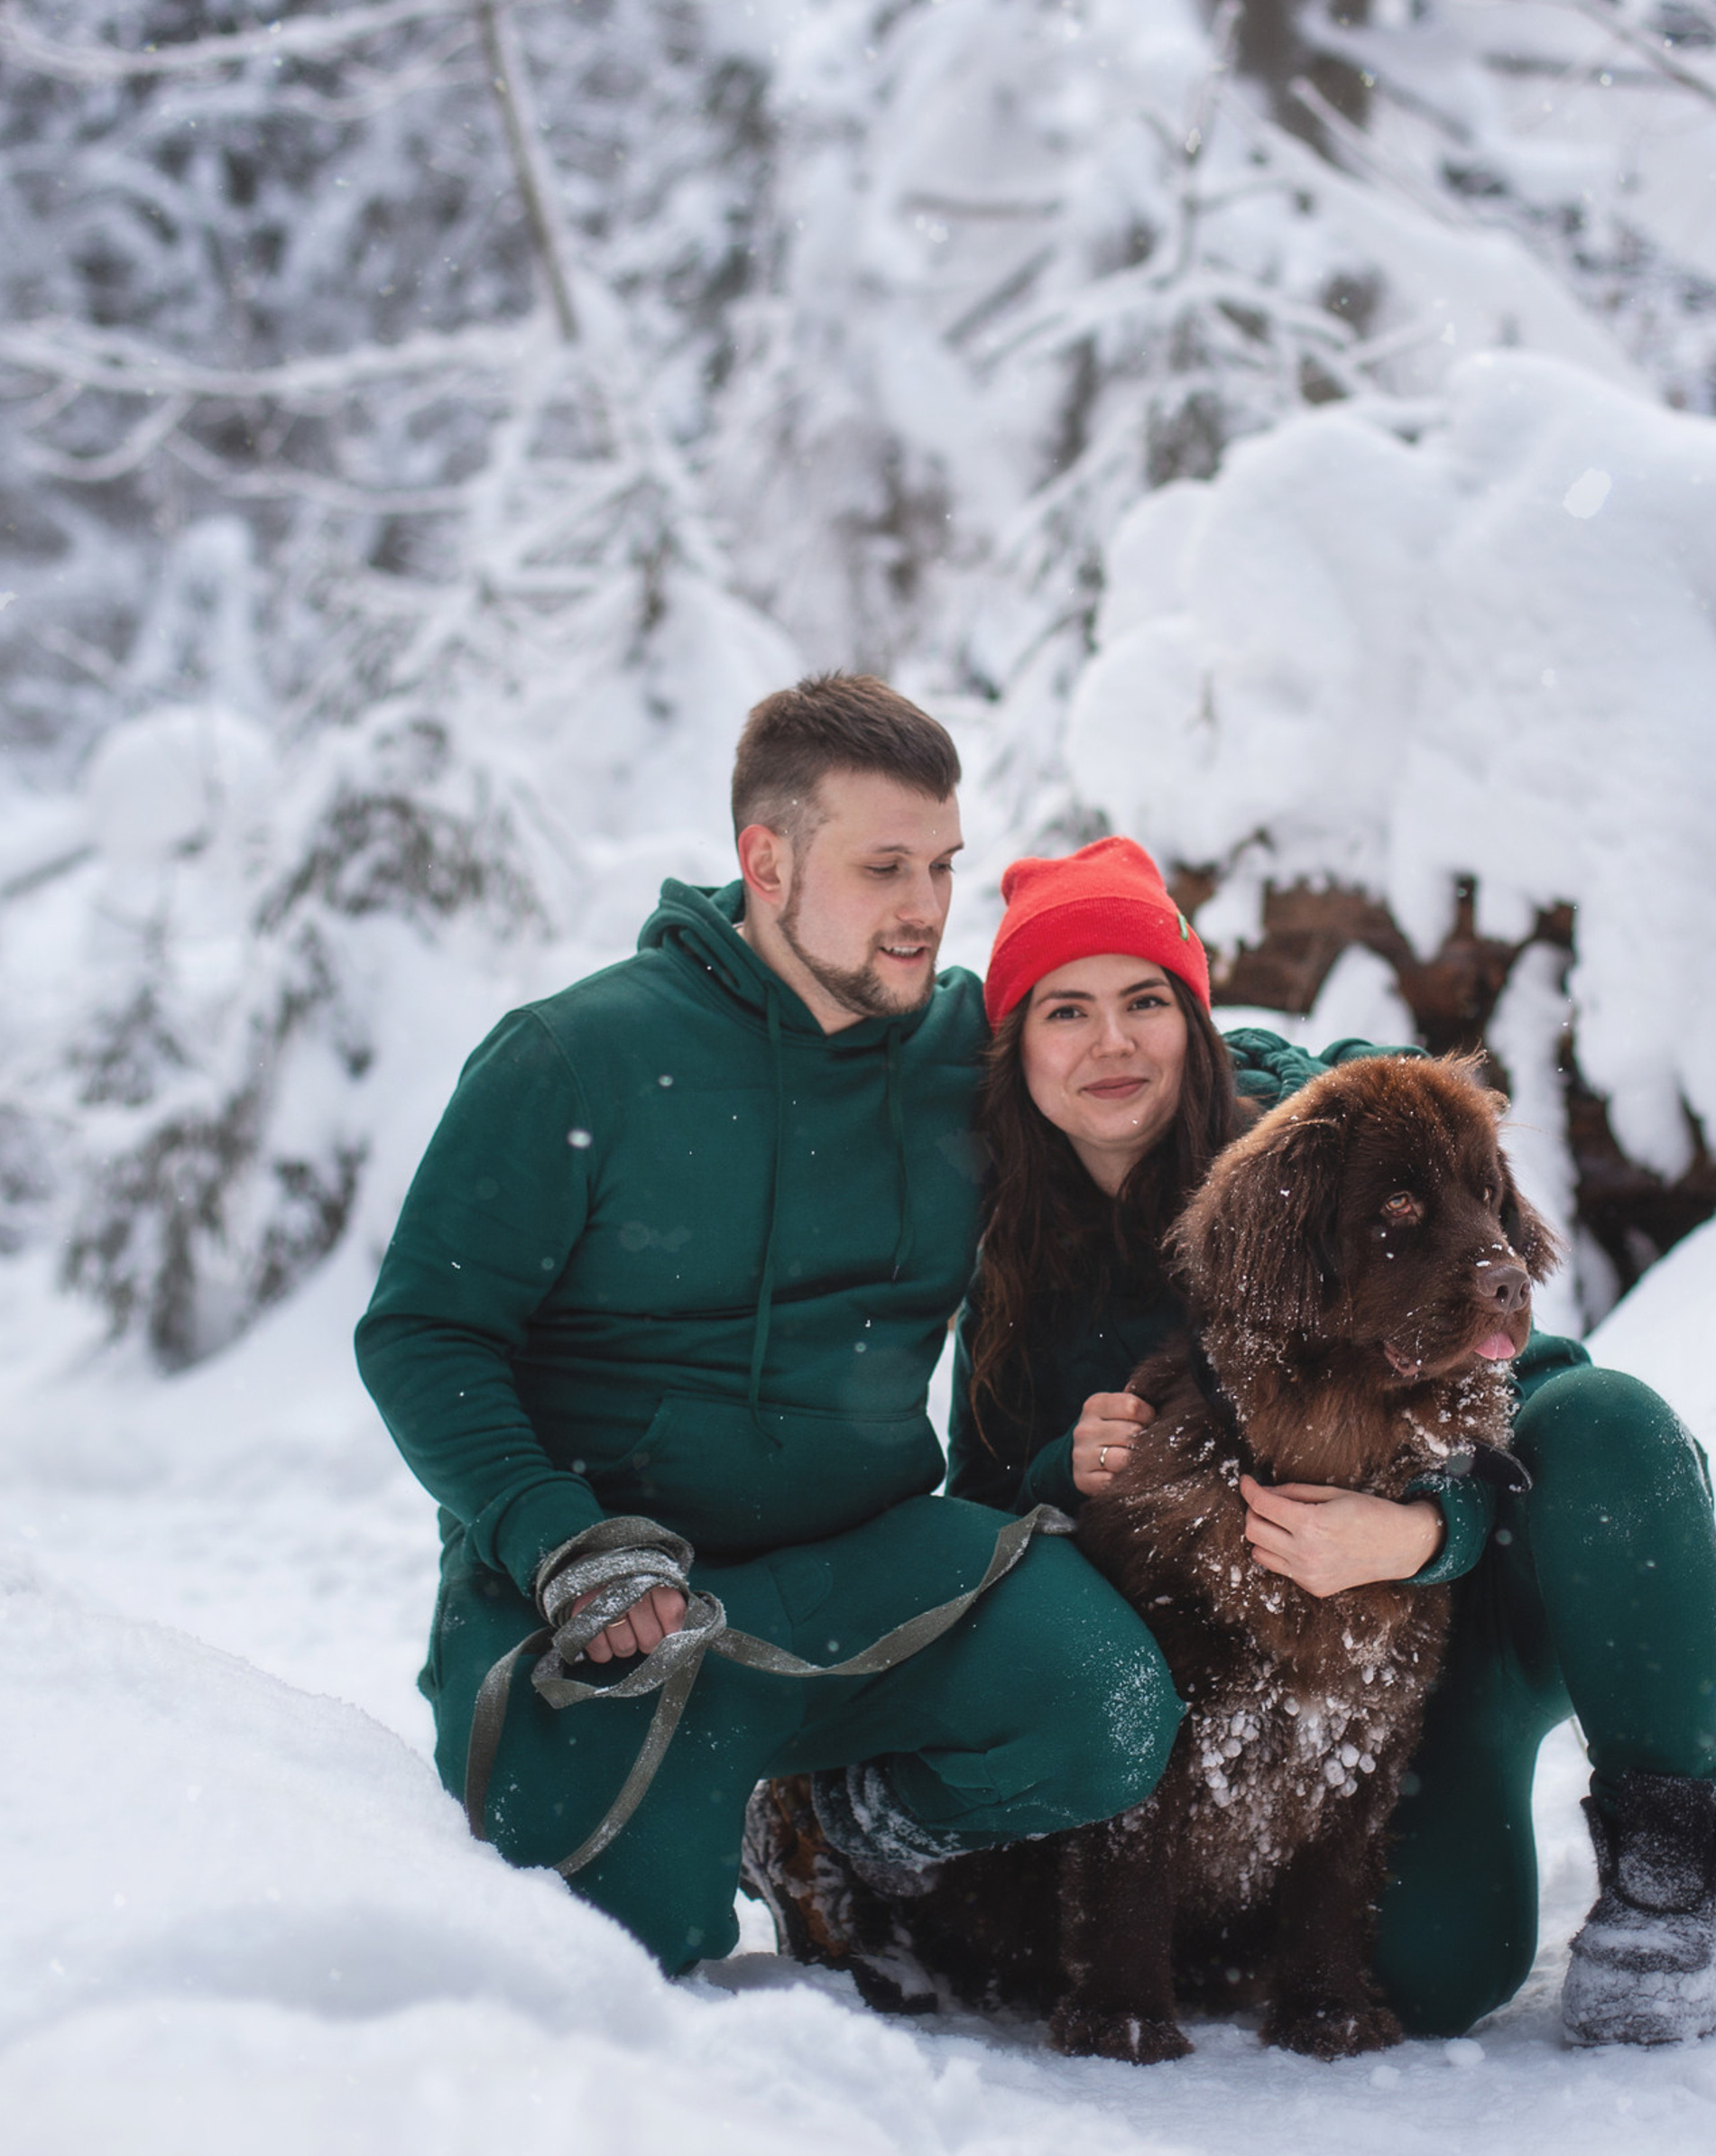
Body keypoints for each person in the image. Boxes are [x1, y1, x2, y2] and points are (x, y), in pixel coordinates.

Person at [354, 678, 1182, 1979]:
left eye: (944, 867)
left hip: (869, 1564)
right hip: (614, 1595)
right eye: (886, 867)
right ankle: (692, 1809)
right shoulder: (575, 1060)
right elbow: (422, 1333)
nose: (925, 907)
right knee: (620, 1951)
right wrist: (558, 1536)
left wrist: (1363, 1114)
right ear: (768, 860)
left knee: (1104, 1706)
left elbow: (1159, 1056)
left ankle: (839, 1830)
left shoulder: (963, 1050)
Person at [944, 836, 1716, 2046]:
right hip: (1248, 1658)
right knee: (1434, 1976)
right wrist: (1068, 1472)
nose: (1113, 1044)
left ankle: (1667, 1883)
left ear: (1196, 1015)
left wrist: (1427, 1532)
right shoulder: (1010, 1252)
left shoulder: (1329, 1130)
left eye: (1147, 1001)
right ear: (1020, 1047)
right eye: (1067, 1010)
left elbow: (1528, 1373)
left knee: (1614, 1423)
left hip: (1435, 1619)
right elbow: (986, 1502)